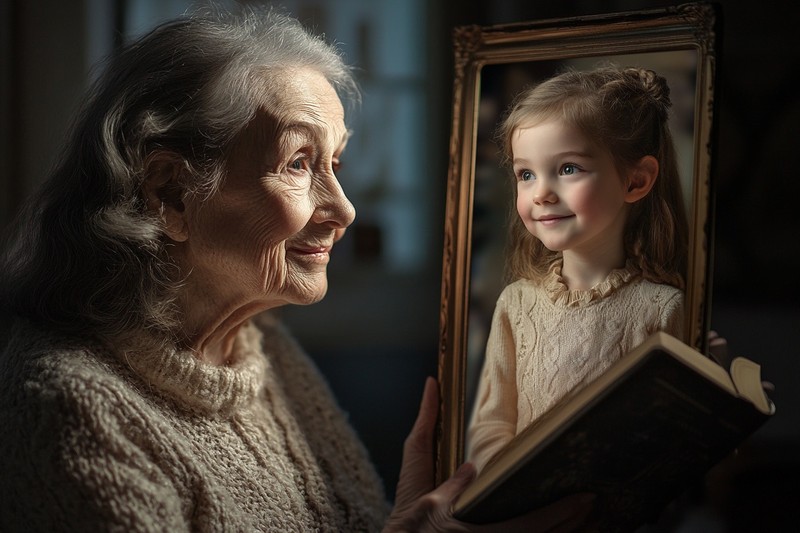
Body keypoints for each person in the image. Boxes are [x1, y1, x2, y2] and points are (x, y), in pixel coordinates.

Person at [0, 7, 593, 532]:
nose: (344, 209)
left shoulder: (257, 347)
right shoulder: (68, 406)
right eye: (299, 162)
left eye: (334, 161)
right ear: (171, 194)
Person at [467, 66, 689, 472]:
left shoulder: (662, 310)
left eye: (568, 168)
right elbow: (491, 424)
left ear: (636, 181)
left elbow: (665, 442)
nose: (542, 193)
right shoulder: (516, 305)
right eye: (526, 174)